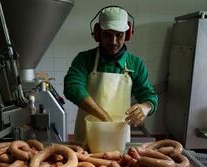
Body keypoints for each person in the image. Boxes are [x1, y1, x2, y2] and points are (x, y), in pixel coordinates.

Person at [64, 6, 158, 143]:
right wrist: (105, 118)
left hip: (118, 137)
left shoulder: (135, 64)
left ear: (128, 34)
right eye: (107, 34)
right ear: (98, 34)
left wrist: (146, 107)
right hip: (87, 137)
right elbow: (72, 87)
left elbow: (149, 95)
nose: (113, 42)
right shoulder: (84, 59)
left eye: (119, 35)